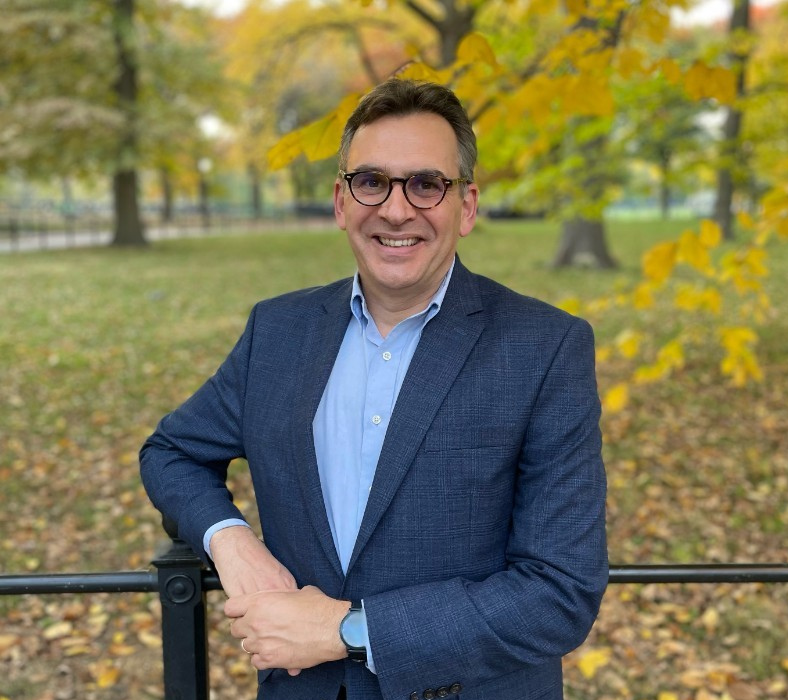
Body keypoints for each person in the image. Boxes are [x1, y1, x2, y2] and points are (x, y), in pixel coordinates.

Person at [140, 78, 607, 700]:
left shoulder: (545, 346)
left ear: (466, 207)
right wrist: (232, 542)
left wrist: (348, 630)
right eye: (372, 182)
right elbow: (171, 452)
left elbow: (559, 592)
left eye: (426, 184)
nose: (395, 209)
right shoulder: (277, 330)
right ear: (340, 201)